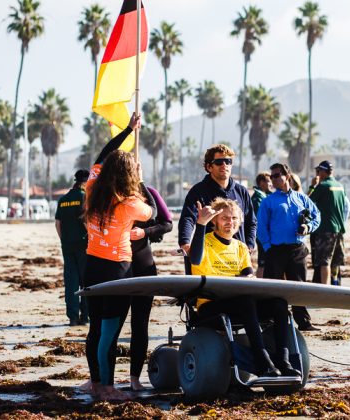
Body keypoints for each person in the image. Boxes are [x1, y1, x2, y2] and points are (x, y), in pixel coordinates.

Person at [82, 113, 157, 401]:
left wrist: (127, 130)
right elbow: (153, 212)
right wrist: (139, 181)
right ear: (129, 176)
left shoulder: (90, 191)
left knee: (95, 329)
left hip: (92, 266)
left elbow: (102, 155)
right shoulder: (130, 204)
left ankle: (97, 382)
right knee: (110, 333)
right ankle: (108, 387)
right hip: (117, 271)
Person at [190, 197, 301, 377]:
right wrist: (200, 224)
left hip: (240, 303)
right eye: (224, 218)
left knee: (279, 304)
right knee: (245, 301)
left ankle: (284, 360)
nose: (230, 222)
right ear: (214, 221)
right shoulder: (204, 242)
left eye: (234, 218)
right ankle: (262, 361)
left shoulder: (241, 247)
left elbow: (248, 277)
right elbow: (194, 259)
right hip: (211, 305)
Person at [257, 163, 321, 332]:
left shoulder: (301, 198)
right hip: (275, 250)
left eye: (277, 175)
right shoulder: (268, 201)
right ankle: (269, 320)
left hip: (297, 249)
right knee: (272, 287)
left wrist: (308, 227)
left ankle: (304, 322)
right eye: (272, 177)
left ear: (287, 175)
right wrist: (268, 247)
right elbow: (261, 227)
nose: (274, 179)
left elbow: (317, 216)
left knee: (299, 287)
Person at [128, 185, 173, 391]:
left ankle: (134, 378)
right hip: (115, 265)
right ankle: (101, 380)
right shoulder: (106, 191)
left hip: (143, 264)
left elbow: (167, 223)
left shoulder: (147, 191)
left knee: (140, 324)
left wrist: (144, 231)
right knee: (110, 325)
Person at [178, 144, 256, 255]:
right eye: (219, 162)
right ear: (209, 167)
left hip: (238, 255)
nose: (224, 165)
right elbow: (188, 219)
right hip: (210, 256)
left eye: (228, 161)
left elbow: (251, 221)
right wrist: (185, 243)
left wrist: (249, 245)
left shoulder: (242, 192)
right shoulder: (197, 191)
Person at [55, 169, 90, 326]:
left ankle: (72, 317)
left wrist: (64, 239)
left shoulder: (63, 199)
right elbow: (85, 221)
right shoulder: (84, 197)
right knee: (86, 281)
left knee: (71, 281)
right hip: (84, 245)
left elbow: (58, 223)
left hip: (67, 245)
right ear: (86, 182)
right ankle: (85, 315)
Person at [309, 160, 350, 286]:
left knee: (324, 262)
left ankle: (325, 291)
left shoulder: (323, 186)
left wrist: (312, 186)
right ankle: (336, 286)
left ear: (322, 171)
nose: (317, 174)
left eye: (318, 171)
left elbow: (308, 202)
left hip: (325, 229)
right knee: (336, 262)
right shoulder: (340, 186)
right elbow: (346, 206)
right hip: (339, 229)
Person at [251, 171, 272, 278]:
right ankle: (260, 286)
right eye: (268, 181)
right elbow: (260, 218)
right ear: (261, 183)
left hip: (268, 235)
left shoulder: (266, 195)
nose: (271, 184)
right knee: (262, 263)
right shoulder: (257, 198)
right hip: (263, 235)